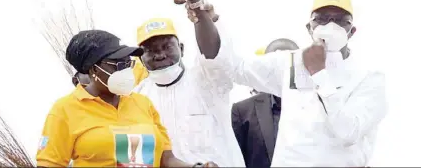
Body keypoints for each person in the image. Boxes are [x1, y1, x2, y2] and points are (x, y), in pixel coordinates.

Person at [164, 0, 387, 167]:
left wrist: (319, 74)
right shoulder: (290, 62)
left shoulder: (369, 79)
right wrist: (201, 9)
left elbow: (348, 131)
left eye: (340, 20)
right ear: (309, 27)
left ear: (352, 31)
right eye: (322, 18)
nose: (330, 24)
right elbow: (231, 66)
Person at [36, 30, 214, 167]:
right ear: (93, 70)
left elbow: (165, 159)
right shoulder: (65, 110)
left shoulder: (142, 103)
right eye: (118, 65)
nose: (126, 71)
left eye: (128, 63)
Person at [133, 18, 244, 167]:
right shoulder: (136, 98)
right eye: (151, 50)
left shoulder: (208, 81)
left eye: (167, 47)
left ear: (182, 49)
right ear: (141, 59)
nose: (160, 55)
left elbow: (215, 53)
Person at [231, 38, 299, 168]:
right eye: (275, 64)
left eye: (288, 63)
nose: (282, 70)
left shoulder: (318, 105)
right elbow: (236, 160)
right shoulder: (242, 111)